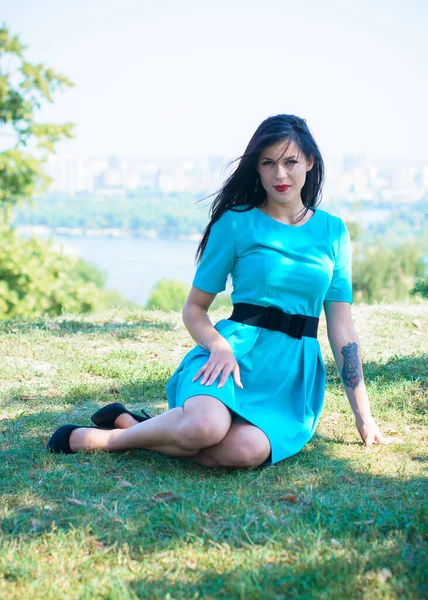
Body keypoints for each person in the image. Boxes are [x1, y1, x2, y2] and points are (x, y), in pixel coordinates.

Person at [47, 113, 387, 467]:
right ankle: (104, 439)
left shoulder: (333, 231)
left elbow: (342, 328)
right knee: (204, 427)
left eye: (290, 162)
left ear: (310, 161)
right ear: (256, 168)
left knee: (244, 452)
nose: (280, 174)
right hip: (232, 355)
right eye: (268, 163)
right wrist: (218, 346)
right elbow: (194, 308)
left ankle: (135, 423)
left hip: (289, 374)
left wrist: (364, 417)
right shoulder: (236, 222)